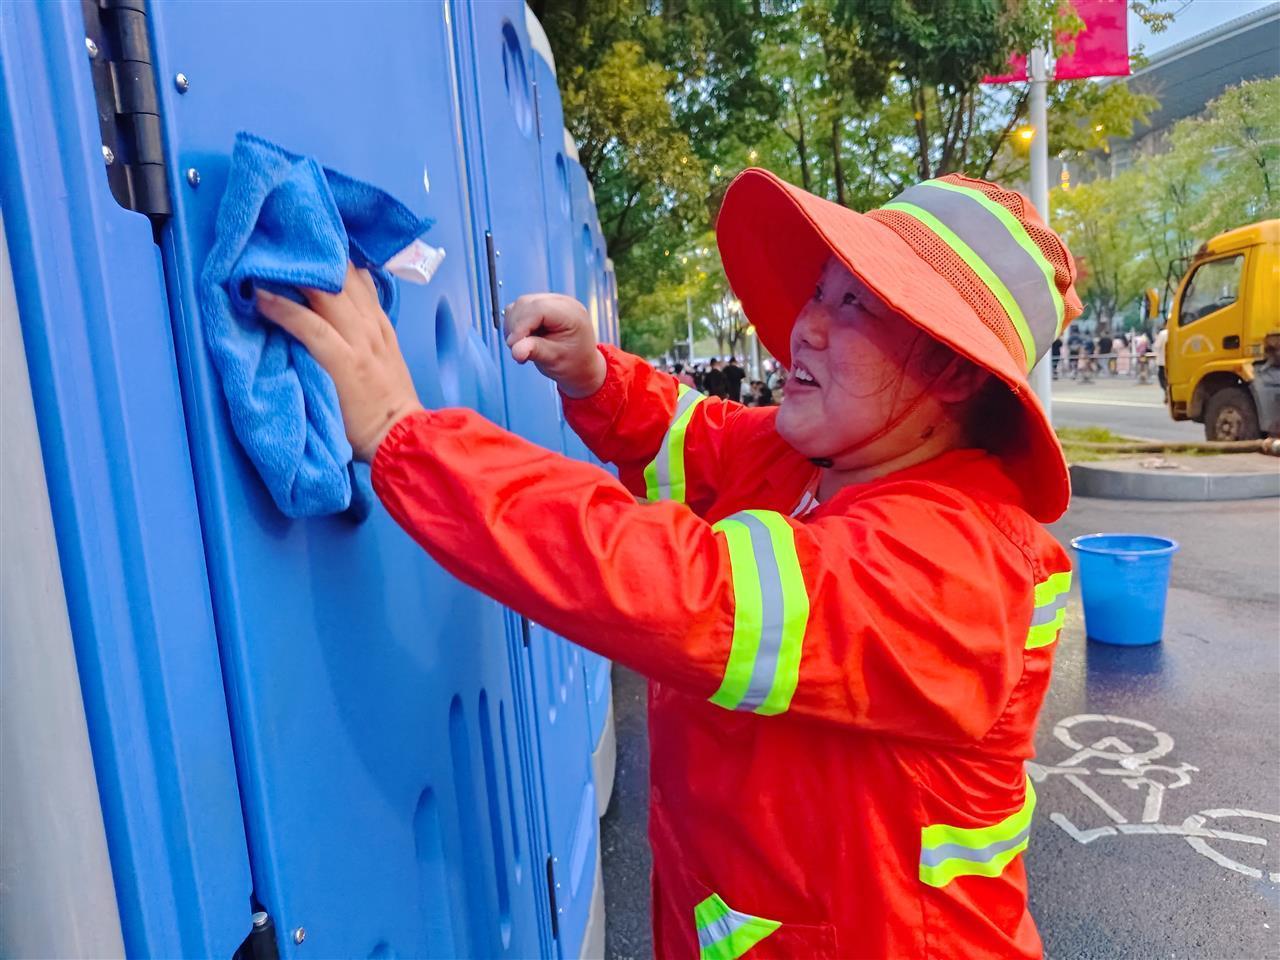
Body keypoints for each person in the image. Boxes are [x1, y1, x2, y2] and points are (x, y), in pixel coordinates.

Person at [258, 169, 1079, 959]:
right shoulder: (828, 456)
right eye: (823, 288)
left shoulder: (958, 566)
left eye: (857, 303)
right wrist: (595, 377)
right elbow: (697, 437)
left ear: (951, 370)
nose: (807, 323)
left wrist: (411, 437)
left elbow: (691, 591)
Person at [1153, 323, 1169, 396]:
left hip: (1163, 361)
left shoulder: (1163, 333)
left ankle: (1166, 391)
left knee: (1162, 377)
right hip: (1174, 363)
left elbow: (1156, 346)